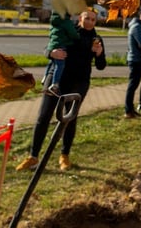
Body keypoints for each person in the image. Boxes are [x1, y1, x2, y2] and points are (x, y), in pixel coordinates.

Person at [16, 9, 106, 172]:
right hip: (56, 79)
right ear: (80, 17)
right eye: (87, 18)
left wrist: (99, 54)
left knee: (69, 119)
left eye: (93, 20)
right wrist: (51, 53)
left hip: (79, 82)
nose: (90, 22)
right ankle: (33, 157)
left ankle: (64, 155)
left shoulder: (96, 39)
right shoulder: (67, 30)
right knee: (43, 116)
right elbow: (49, 46)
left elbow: (101, 66)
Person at [42, 11, 79, 96]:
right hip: (61, 44)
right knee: (60, 65)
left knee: (51, 62)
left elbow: (51, 33)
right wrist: (77, 36)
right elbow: (73, 33)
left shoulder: (54, 20)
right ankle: (54, 85)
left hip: (52, 44)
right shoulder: (66, 21)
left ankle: (45, 78)